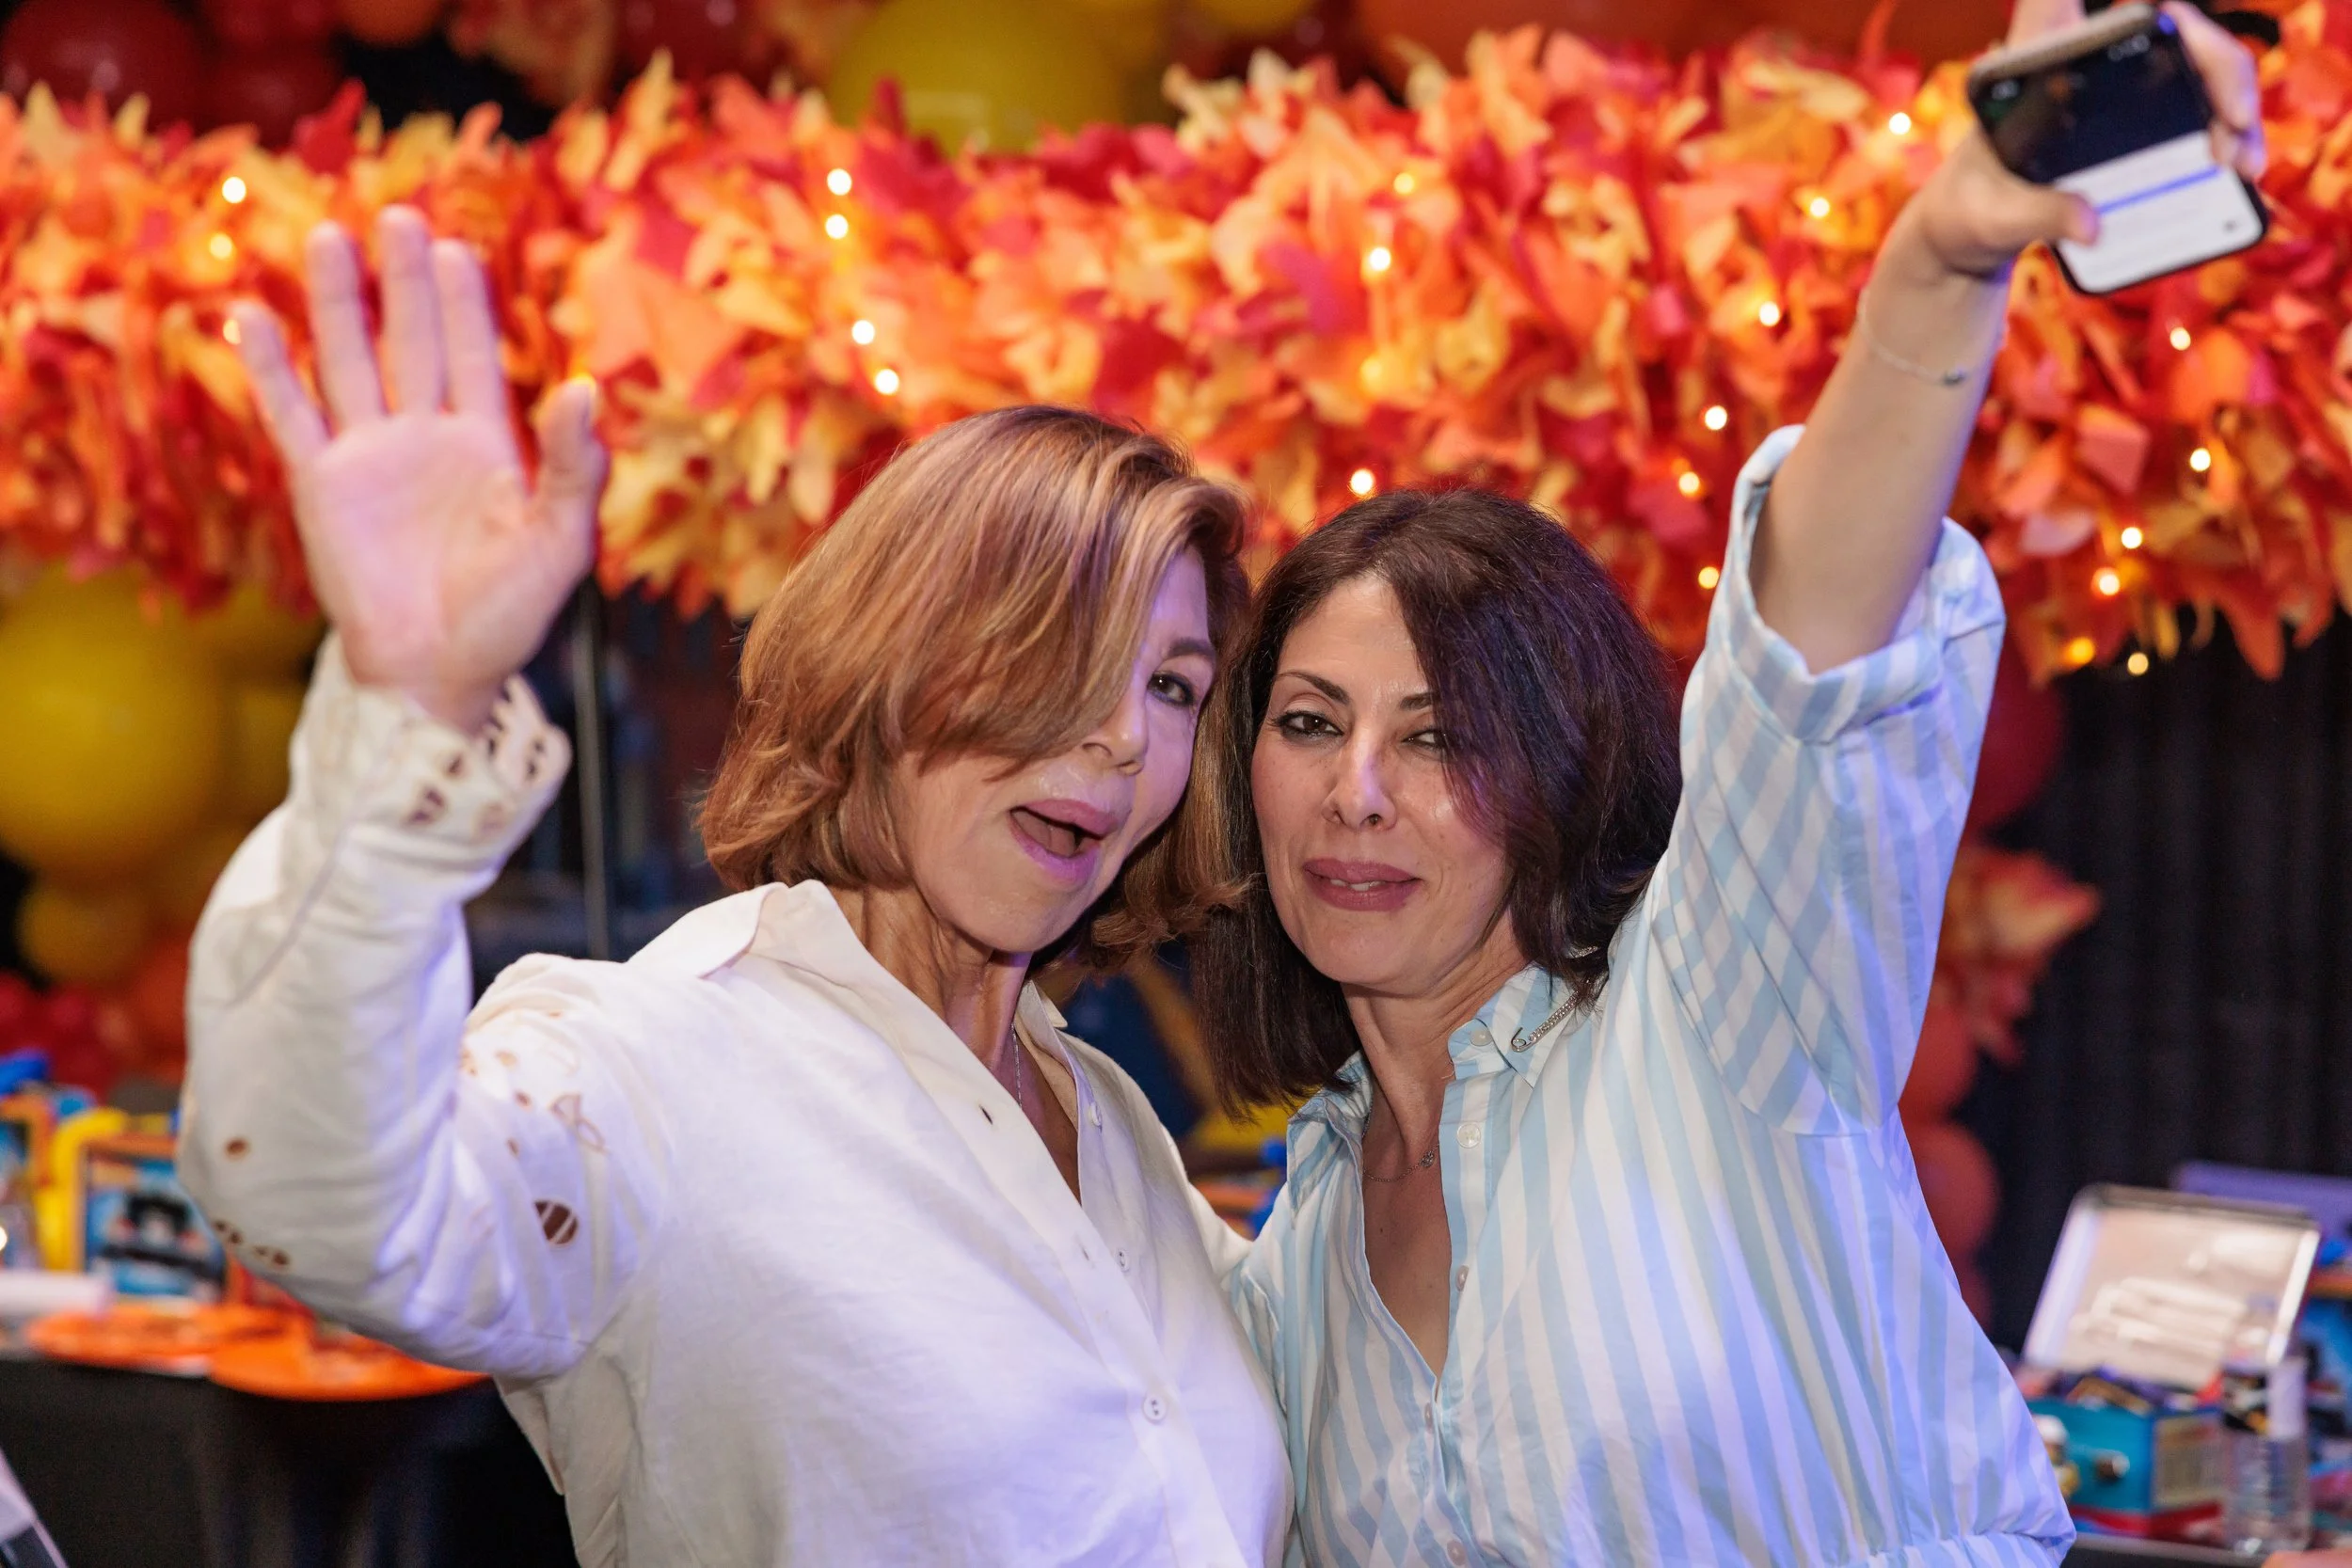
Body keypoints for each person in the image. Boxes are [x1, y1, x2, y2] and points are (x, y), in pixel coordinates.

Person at [1173, 1, 2266, 1562]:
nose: (1356, 792)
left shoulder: (1716, 1017)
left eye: (1433, 735)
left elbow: (1810, 664)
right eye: (1308, 722)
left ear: (1553, 770)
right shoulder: (1300, 1242)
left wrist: (1941, 263)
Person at [177, 208, 1286, 1566]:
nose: (1123, 735)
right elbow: (335, 1211)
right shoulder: (660, 1063)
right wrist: (406, 713)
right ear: (889, 662)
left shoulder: (1104, 1119)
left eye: (1172, 683)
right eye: (1061, 646)